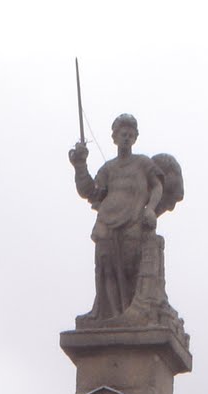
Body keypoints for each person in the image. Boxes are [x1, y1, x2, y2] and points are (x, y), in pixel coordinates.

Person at [69, 115, 168, 321]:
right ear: (114, 137)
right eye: (123, 134)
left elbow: (157, 186)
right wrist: (80, 166)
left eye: (131, 135)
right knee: (106, 269)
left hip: (132, 222)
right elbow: (92, 192)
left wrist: (150, 209)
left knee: (129, 267)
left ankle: (130, 311)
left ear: (135, 138)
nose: (127, 138)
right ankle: (110, 314)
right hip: (107, 222)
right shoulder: (108, 168)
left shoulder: (143, 163)